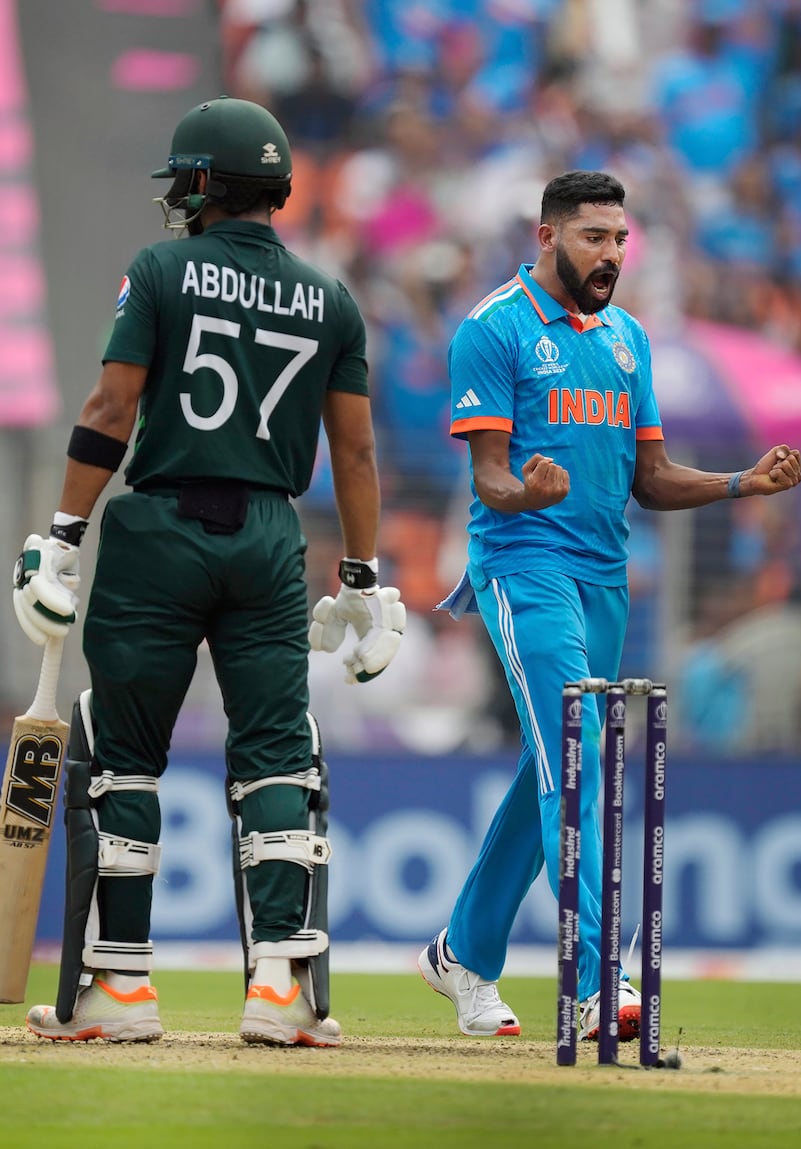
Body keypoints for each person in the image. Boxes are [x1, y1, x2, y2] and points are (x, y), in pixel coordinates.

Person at [13, 96, 404, 1047]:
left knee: (124, 755)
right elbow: (354, 455)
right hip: (271, 538)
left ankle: (120, 991)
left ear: (204, 184)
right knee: (277, 750)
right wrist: (361, 577)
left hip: (159, 528)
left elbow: (112, 407)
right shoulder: (333, 297)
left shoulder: (159, 269)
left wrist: (62, 532)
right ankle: (280, 989)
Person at [419, 170, 801, 1040]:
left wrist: (743, 482)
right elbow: (486, 477)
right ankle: (596, 978)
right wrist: (527, 488)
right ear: (547, 236)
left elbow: (653, 477)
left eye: (622, 238)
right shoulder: (494, 329)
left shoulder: (628, 338)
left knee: (547, 774)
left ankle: (461, 954)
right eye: (595, 237)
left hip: (604, 580)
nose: (612, 254)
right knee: (579, 755)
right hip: (523, 565)